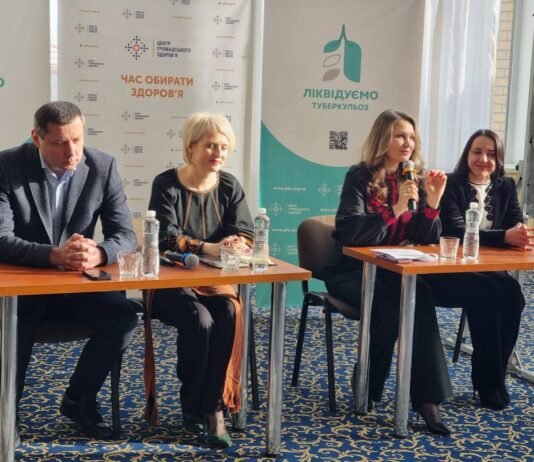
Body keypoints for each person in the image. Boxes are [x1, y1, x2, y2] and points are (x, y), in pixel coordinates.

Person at [0, 101, 139, 438]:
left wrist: (98, 252)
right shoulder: (7, 166)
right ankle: (6, 412)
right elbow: (1, 239)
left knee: (123, 317)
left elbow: (126, 236)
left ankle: (79, 399)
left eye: (77, 139)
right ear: (36, 138)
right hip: (24, 288)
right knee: (13, 325)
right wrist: (53, 255)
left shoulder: (102, 166)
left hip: (76, 285)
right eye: (60, 142)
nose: (72, 151)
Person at [323, 109, 453, 435]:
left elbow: (423, 237)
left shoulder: (415, 179)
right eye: (399, 135)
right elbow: (350, 231)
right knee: (391, 307)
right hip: (352, 270)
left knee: (420, 296)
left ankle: (428, 401)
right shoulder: (359, 177)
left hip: (393, 268)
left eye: (411, 137)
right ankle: (368, 385)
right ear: (384, 138)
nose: (407, 143)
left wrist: (432, 204)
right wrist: (395, 210)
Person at [146, 112, 254, 449]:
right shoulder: (166, 184)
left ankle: (211, 408)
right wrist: (209, 247)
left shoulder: (229, 185)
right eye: (210, 145)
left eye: (224, 147)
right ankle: (194, 401)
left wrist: (237, 243)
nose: (218, 153)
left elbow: (246, 231)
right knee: (200, 320)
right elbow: (166, 239)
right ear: (190, 147)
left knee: (229, 312)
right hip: (170, 281)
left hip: (214, 281)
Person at [427, 129, 527, 410]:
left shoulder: (506, 185)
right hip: (449, 269)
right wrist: (504, 237)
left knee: (513, 294)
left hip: (489, 267)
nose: (484, 159)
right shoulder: (451, 184)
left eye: (491, 154)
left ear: (499, 158)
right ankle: (487, 382)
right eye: (477, 152)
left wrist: (519, 230)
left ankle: (495, 377)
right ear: (467, 154)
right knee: (490, 293)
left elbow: (515, 219)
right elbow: (456, 231)